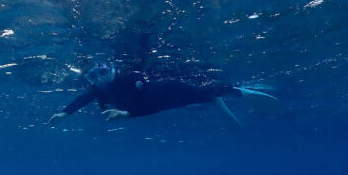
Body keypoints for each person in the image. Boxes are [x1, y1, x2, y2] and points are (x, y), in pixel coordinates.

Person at [48, 61, 275, 128]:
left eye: (103, 72)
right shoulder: (98, 89)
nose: (99, 79)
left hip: (171, 91)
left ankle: (239, 92)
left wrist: (127, 115)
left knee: (205, 92)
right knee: (204, 99)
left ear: (113, 70)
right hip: (167, 102)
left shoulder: (129, 80)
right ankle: (215, 99)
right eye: (92, 77)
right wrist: (64, 113)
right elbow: (84, 98)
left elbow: (151, 105)